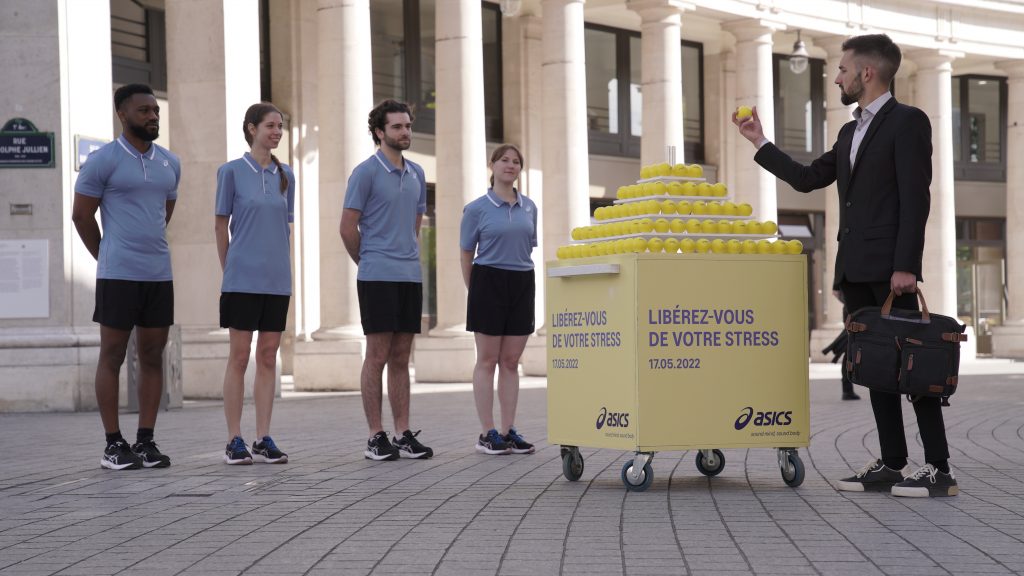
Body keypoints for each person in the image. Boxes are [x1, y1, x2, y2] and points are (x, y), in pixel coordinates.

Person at [733, 34, 957, 498]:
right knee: (876, 368)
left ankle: (938, 468)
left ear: (867, 73)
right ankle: (893, 462)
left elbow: (916, 198)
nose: (837, 76)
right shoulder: (848, 131)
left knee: (914, 364)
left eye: (842, 69)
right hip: (856, 271)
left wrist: (907, 266)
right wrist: (761, 142)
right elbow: (809, 179)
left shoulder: (908, 122)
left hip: (891, 270)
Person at [72, 83, 180, 470]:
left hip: (158, 275)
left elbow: (163, 213)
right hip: (117, 275)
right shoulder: (102, 160)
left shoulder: (170, 162)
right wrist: (106, 256)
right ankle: (113, 444)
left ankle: (146, 441)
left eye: (155, 110)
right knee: (113, 355)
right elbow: (81, 216)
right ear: (122, 114)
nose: (152, 116)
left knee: (153, 356)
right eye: (144, 111)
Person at [341, 99, 433, 461]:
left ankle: (403, 433)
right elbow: (347, 228)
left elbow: (416, 223)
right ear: (379, 132)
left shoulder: (418, 174)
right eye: (397, 127)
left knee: (401, 356)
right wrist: (369, 261)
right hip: (377, 274)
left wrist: (404, 255)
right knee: (377, 354)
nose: (405, 132)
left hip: (409, 276)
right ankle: (375, 436)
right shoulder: (365, 172)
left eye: (408, 126)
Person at [215, 103, 295, 465]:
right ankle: (234, 438)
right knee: (240, 355)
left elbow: (285, 227)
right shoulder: (230, 172)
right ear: (251, 129)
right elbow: (221, 226)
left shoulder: (286, 175)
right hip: (242, 277)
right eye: (270, 126)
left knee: (268, 357)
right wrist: (229, 268)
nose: (277, 132)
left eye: (280, 126)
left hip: (276, 279)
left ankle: (263, 437)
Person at [460, 144, 538, 456]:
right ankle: (486, 433)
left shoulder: (530, 207)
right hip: (487, 280)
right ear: (492, 165)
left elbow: (528, 246)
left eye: (516, 161)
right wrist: (475, 291)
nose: (511, 165)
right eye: (504, 160)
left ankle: (508, 431)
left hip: (521, 281)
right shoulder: (477, 208)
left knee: (510, 361)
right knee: (488, 359)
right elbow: (466, 253)